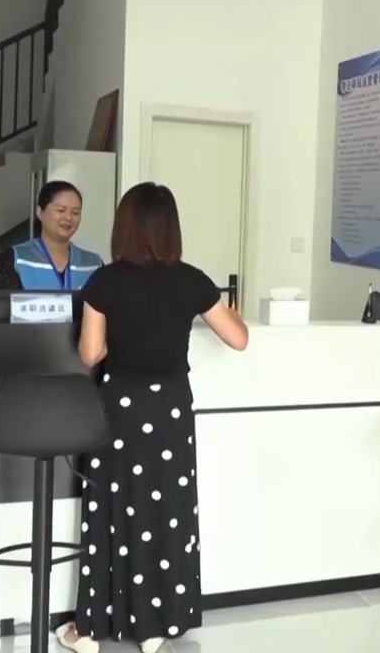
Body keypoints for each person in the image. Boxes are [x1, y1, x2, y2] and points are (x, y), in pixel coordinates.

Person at [56, 182, 248, 653]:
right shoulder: (193, 280)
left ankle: (91, 630)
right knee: (166, 512)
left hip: (120, 408)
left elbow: (90, 353)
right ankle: (157, 625)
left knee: (113, 512)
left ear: (124, 226)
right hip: (171, 410)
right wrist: (233, 314)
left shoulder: (105, 282)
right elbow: (239, 339)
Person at [0, 181, 103, 290]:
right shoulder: (16, 259)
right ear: (40, 212)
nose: (68, 218)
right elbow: (0, 303)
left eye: (75, 213)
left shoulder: (93, 264)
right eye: (60, 210)